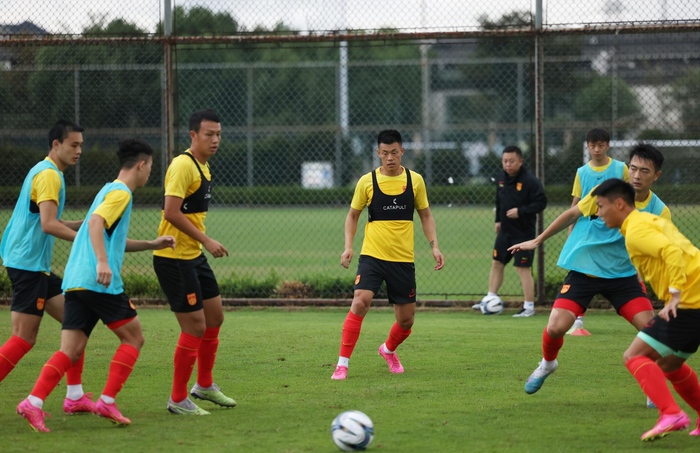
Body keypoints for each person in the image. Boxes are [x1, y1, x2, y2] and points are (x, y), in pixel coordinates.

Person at [16, 138, 175, 432]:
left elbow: (109, 236)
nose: (150, 173)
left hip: (76, 281)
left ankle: (33, 402)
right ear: (141, 165)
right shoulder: (122, 193)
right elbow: (95, 223)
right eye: (151, 167)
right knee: (134, 338)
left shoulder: (107, 189)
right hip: (97, 281)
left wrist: (151, 244)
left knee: (71, 350)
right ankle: (107, 401)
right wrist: (102, 262)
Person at [509, 144, 669, 395]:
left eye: (644, 171)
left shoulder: (659, 210)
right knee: (555, 327)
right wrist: (537, 240)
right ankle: (548, 364)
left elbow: (664, 252)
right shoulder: (606, 192)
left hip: (622, 277)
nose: (637, 175)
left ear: (656, 175)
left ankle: (654, 382)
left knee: (652, 331)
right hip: (585, 272)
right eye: (633, 168)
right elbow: (572, 214)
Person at [331, 129, 445, 380]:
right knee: (360, 301)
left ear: (402, 151)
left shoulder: (415, 181)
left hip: (402, 259)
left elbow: (426, 216)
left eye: (394, 152)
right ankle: (342, 365)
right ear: (378, 153)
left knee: (406, 322)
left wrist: (434, 247)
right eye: (385, 153)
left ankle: (388, 350)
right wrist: (348, 246)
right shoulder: (367, 181)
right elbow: (352, 216)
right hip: (372, 256)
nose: (390, 157)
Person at [591, 178, 700, 441]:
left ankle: (671, 414)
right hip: (694, 298)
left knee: (634, 356)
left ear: (619, 204)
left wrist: (675, 295)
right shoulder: (647, 220)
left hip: (689, 301)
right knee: (670, 365)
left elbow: (671, 252)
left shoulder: (636, 229)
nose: (598, 213)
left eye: (601, 206)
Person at [0, 119, 94, 413]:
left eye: (81, 145)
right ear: (56, 144)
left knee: (77, 322)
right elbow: (48, 224)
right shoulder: (49, 175)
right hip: (27, 264)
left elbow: (48, 218)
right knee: (24, 338)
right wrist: (86, 241)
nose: (79, 151)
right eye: (73, 145)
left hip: (32, 264)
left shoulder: (45, 170)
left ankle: (75, 397)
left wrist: (83, 224)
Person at [153, 109, 235, 415]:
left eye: (218, 134)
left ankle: (204, 385)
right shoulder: (182, 165)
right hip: (173, 258)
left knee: (214, 317)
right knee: (195, 326)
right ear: (193, 135)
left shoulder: (204, 167)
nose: (215, 140)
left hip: (192, 256)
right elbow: (170, 212)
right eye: (209, 134)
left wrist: (201, 244)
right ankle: (177, 399)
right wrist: (207, 240)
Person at [566, 129, 630, 333]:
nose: (596, 149)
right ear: (587, 146)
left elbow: (630, 199)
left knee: (628, 269)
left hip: (615, 229)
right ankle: (578, 319)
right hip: (589, 230)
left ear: (608, 145)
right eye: (592, 145)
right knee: (583, 271)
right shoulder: (582, 172)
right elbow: (575, 205)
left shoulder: (621, 168)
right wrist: (570, 233)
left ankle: (641, 310)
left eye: (600, 145)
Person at [472, 146, 547, 317]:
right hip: (505, 231)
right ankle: (490, 299)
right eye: (505, 161)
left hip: (523, 233)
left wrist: (520, 211)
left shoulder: (530, 181)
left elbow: (541, 202)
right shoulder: (501, 178)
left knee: (522, 268)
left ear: (520, 161)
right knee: (497, 263)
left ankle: (529, 307)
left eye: (511, 161)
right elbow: (499, 200)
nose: (507, 164)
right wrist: (498, 220)